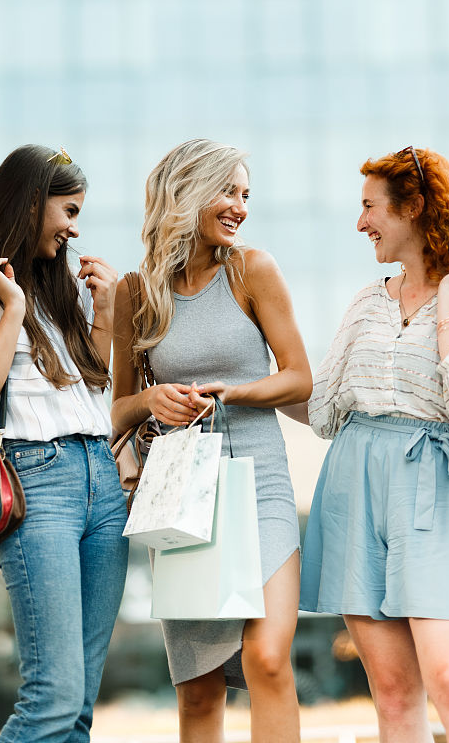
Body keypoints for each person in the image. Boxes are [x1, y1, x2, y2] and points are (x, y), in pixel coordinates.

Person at [299, 146, 449, 743]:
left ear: (414, 208)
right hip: (353, 484)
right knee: (393, 696)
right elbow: (321, 409)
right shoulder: (368, 300)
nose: (359, 222)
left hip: (435, 486)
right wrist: (238, 384)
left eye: (370, 207)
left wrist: (447, 301)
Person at [110, 138, 312, 743]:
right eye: (229, 191)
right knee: (200, 690)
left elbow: (300, 376)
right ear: (187, 193)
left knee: (268, 658)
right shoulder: (135, 292)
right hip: (183, 497)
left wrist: (234, 391)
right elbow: (118, 409)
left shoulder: (253, 269)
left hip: (262, 484)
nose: (240, 207)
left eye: (246, 194)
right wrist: (152, 399)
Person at [0, 144, 128, 743]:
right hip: (37, 478)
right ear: (29, 204)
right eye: (67, 211)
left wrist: (102, 312)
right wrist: (13, 309)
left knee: (78, 708)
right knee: (52, 698)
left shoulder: (62, 287)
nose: (75, 227)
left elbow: (91, 383)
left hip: (101, 476)